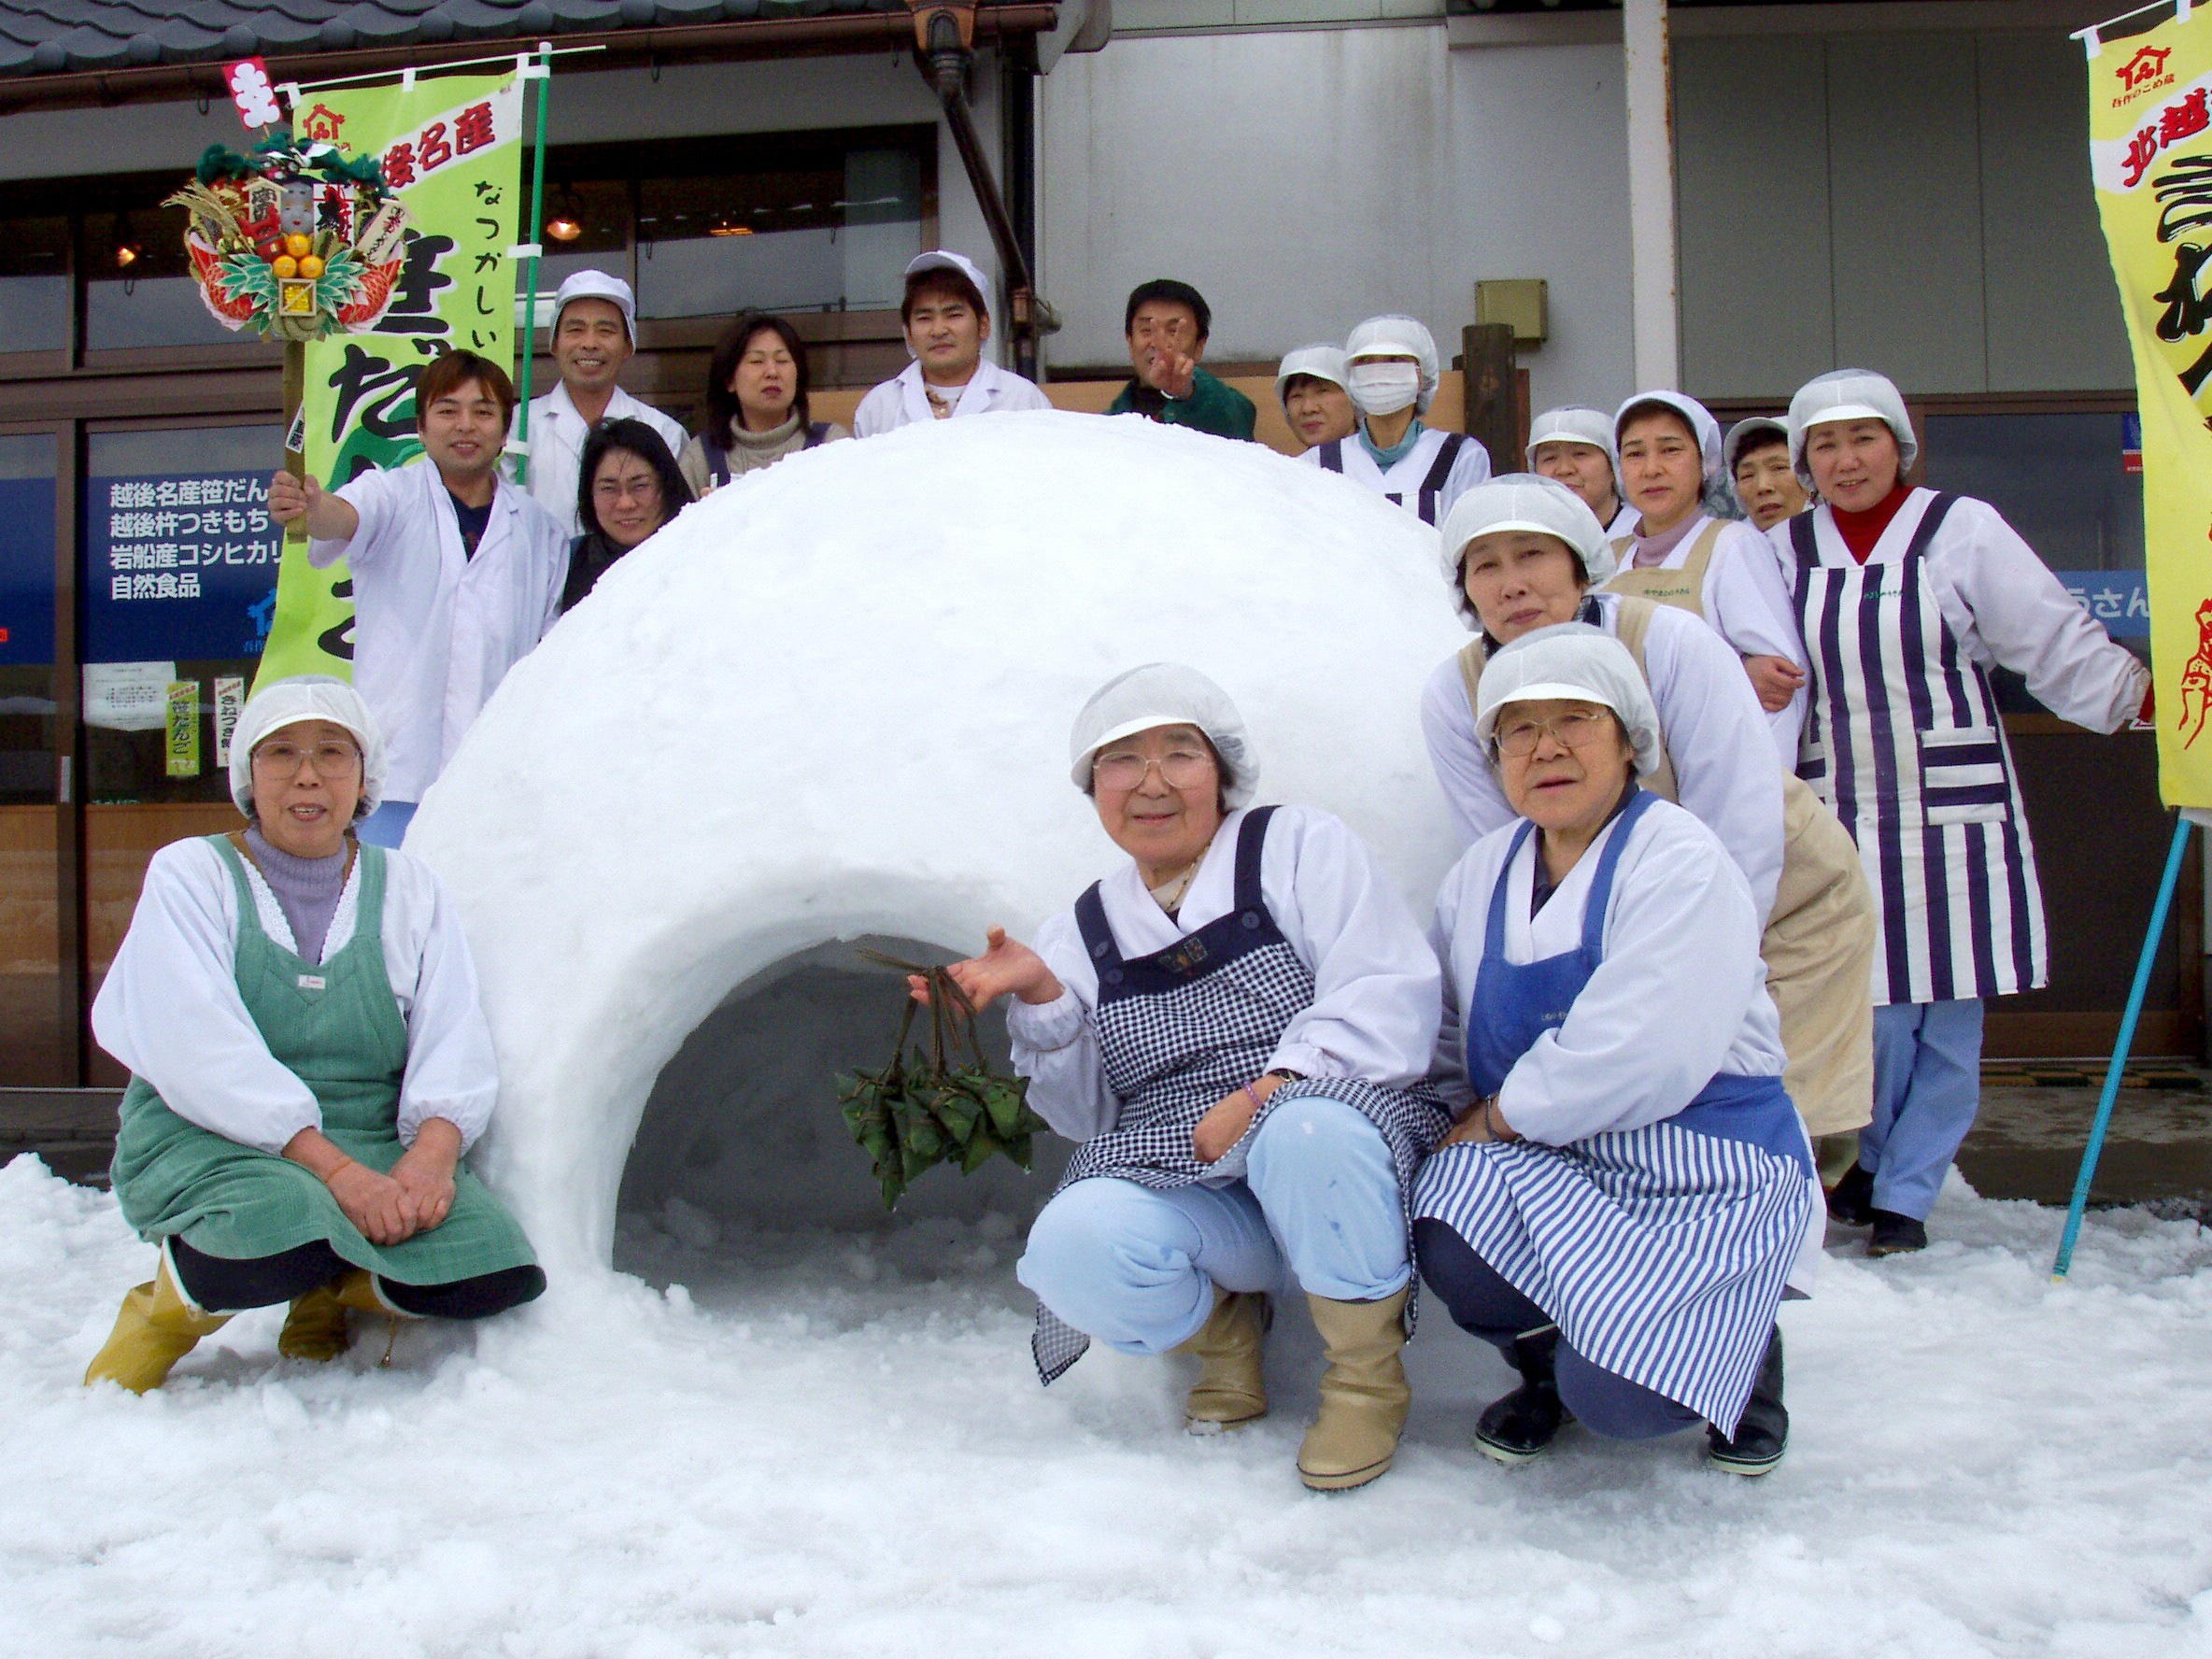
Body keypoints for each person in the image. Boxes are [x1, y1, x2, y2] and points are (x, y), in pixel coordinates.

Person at [922, 664, 1451, 1491]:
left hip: (1338, 1156)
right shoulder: (1084, 928)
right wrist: (1042, 997)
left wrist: (1264, 1095)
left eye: (1180, 752)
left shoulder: (1298, 847)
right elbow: (1087, 1118)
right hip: (1197, 1179)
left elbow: (1385, 994)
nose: (1153, 782)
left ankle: (1364, 1378)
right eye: (1122, 761)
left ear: (1223, 769)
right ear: (1093, 787)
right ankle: (1222, 1323)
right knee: (1074, 1244)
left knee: (1309, 1133)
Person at [1414, 627, 1819, 1473]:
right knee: (1446, 1211)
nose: (1546, 748)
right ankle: (1547, 1371)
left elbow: (1643, 1052)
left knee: (1623, 1406)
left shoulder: (1679, 859)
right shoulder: (1482, 873)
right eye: (1518, 729)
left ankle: (1745, 1366)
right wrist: (1444, 1117)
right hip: (1555, 1157)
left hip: (1699, 1165)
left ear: (1630, 739)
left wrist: (1498, 1115)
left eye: (1575, 720)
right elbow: (1448, 1030)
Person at [1776, 369, 2153, 1255]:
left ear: (1899, 445)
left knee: (1948, 1010)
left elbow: (2046, 633)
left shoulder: (1961, 529)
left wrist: (2137, 699)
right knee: (1863, 1003)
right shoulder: (1778, 551)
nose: (1846, 459)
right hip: (1839, 806)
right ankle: (1864, 1161)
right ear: (1805, 461)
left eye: (1863, 438)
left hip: (1954, 805)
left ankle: (1908, 1192)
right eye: (1824, 445)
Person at [82, 677, 545, 1394]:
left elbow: (451, 1029)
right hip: (212, 1137)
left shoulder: (411, 887)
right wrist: (339, 1176)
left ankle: (324, 1291)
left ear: (364, 778)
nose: (308, 773)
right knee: (276, 1227)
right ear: (248, 774)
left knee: (492, 1262)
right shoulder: (192, 875)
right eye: (281, 753)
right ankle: (161, 1318)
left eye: (333, 752)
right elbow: (197, 1049)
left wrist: (429, 1158)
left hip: (366, 1135)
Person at [1424, 476, 1875, 1180]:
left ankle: (1771, 1236)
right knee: (1634, 1081)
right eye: (1487, 565)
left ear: (1580, 564)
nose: (1513, 584)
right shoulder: (1455, 692)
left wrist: (1711, 953)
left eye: (1533, 555)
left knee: (1768, 1082)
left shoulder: (1667, 640)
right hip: (1618, 894)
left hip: (1776, 887)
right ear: (1465, 589)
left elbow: (1739, 815)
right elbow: (1501, 851)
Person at [270, 349, 569, 849]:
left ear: (504, 426)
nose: (465, 425)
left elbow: (550, 648)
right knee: (389, 912)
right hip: (398, 776)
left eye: (483, 411)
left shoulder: (541, 531)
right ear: (423, 427)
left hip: (495, 777)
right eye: (448, 411)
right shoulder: (392, 495)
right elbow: (342, 518)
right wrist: (311, 506)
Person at [1602, 390, 1809, 767]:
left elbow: (1780, 691)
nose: (1651, 469)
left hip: (1711, 777)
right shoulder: (1604, 560)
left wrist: (1759, 797)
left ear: (1706, 464)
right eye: (1635, 453)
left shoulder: (1733, 546)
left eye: (1671, 450)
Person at [511, 270, 688, 539]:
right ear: (554, 344)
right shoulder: (518, 427)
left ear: (628, 346)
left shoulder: (664, 432)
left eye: (605, 331)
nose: (590, 343)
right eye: (575, 330)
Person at [1299, 314, 1490, 525]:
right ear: (1351, 378)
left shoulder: (1460, 457)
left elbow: (1470, 544)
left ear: (1421, 376)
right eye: (1365, 361)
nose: (1378, 371)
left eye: (1394, 359)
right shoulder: (1316, 463)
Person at [852, 250, 1052, 436]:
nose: (938, 330)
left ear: (983, 325)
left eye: (954, 315)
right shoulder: (878, 408)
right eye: (924, 318)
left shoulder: (1024, 401)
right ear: (909, 333)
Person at [678, 312, 850, 495]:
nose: (772, 372)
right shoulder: (701, 456)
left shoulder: (831, 444)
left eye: (782, 361)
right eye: (757, 361)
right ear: (729, 380)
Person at [562, 418, 695, 614]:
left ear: (667, 485)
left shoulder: (696, 555)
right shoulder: (567, 563)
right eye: (608, 489)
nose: (626, 503)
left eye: (640, 486)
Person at [1105, 279, 1256, 440]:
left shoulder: (1227, 409)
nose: (1159, 343)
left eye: (1174, 331)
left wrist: (1184, 392)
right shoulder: (1106, 426)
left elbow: (1237, 422)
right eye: (1147, 330)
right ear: (1130, 341)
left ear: (1200, 345)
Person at [1527, 405, 1635, 537]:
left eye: (1580, 454)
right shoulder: (1529, 539)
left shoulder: (1644, 536)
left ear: (1613, 467)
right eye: (1550, 458)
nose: (1564, 469)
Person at [1726, 416, 1808, 532]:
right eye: (1747, 475)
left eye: (1779, 468)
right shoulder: (1727, 548)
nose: (1763, 486)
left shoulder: (1837, 542)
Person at [1274, 344, 1356, 451]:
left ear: (1353, 398)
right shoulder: (1288, 467)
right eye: (1296, 396)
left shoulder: (1378, 466)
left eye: (1322, 392)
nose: (1308, 409)